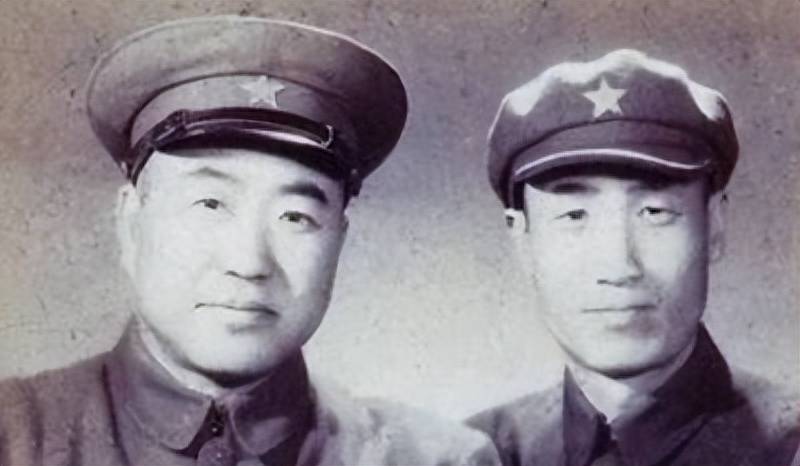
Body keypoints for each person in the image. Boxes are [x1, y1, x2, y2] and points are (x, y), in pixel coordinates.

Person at [0, 16, 499, 466]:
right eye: (210, 204)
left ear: (338, 241)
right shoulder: (14, 437)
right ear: (131, 221)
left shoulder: (431, 458)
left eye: (295, 217)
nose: (248, 262)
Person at [467, 49, 799, 465]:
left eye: (655, 212)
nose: (619, 266)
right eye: (574, 215)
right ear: (522, 241)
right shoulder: (475, 454)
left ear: (714, 225)